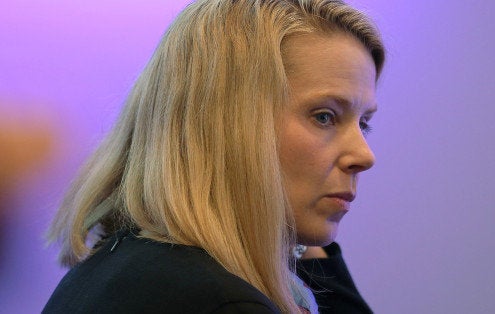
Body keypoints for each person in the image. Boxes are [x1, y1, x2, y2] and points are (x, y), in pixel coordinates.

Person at [43, 0, 384, 313]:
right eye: (324, 116)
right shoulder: (221, 303)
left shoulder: (121, 270)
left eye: (363, 123)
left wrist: (285, 236)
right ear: (225, 125)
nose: (363, 155)